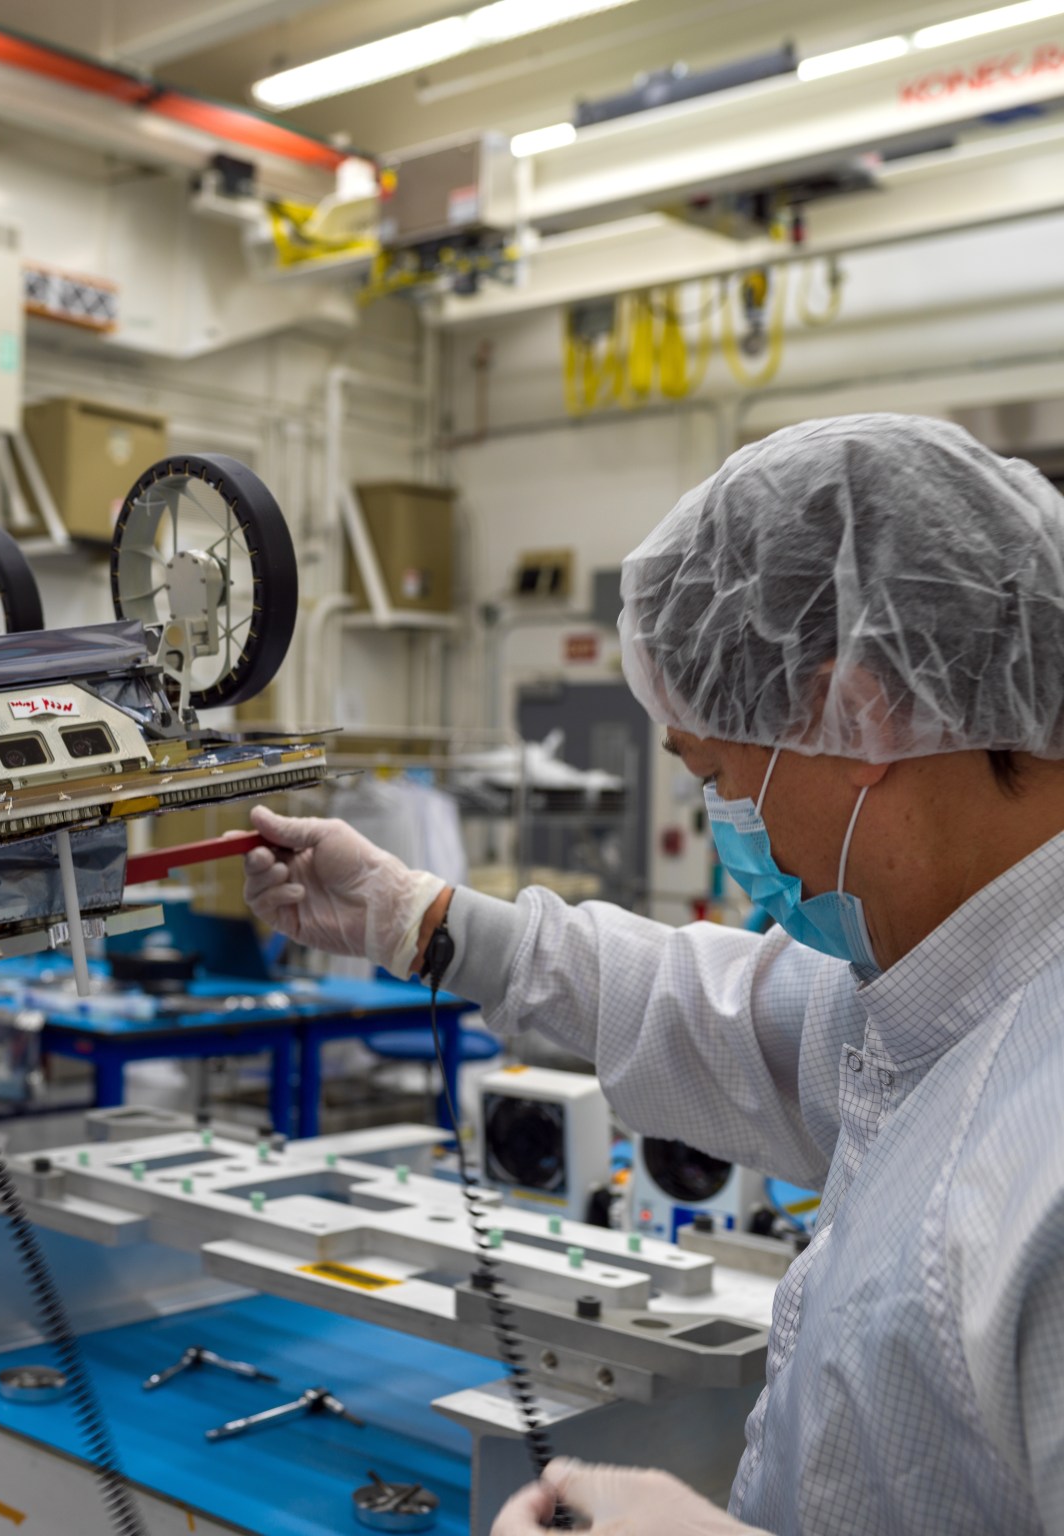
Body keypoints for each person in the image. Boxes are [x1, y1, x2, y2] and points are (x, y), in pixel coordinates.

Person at [242, 416, 1064, 1536]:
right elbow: (713, 1012)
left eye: (716, 773)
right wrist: (422, 921)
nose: (722, 822)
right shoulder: (933, 984)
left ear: (864, 714)